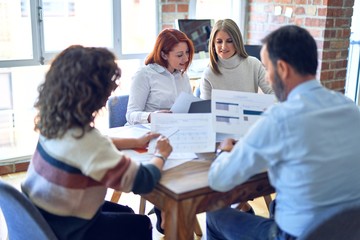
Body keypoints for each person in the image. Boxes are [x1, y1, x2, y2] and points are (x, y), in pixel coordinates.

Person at [206, 25, 360, 239]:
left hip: (297, 235)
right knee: (279, 203)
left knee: (215, 217)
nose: (268, 78)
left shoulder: (279, 118)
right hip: (349, 231)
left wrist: (225, 151)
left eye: (268, 69)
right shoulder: (350, 108)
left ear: (283, 69)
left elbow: (219, 179)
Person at [21, 45, 173, 240]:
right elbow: (143, 181)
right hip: (67, 229)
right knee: (141, 224)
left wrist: (135, 141)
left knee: (126, 212)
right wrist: (161, 154)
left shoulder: (54, 123)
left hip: (40, 216)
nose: (109, 96)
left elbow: (94, 143)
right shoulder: (89, 142)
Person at [126, 28, 195, 125]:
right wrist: (151, 117)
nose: (186, 58)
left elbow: (190, 109)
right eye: (179, 55)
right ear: (164, 55)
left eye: (187, 52)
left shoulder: (183, 76)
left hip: (176, 129)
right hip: (148, 132)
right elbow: (130, 115)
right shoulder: (144, 75)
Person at [200, 19, 273, 100]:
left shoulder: (254, 64)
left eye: (229, 41)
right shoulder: (208, 74)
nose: (224, 47)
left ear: (237, 42)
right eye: (219, 42)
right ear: (213, 44)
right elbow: (205, 108)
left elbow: (273, 93)